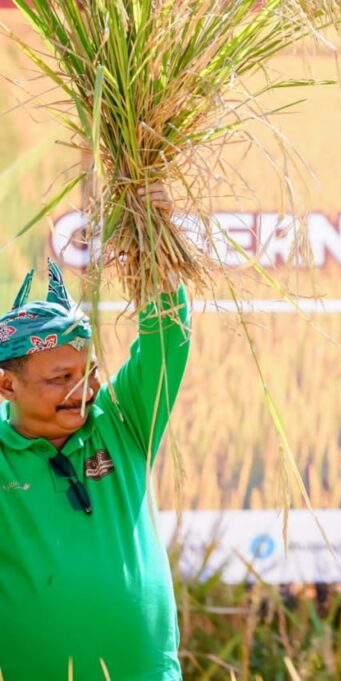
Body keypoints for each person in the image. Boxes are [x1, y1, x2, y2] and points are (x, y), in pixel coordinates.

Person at [0, 187, 189, 680]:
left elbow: (167, 338)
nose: (82, 390)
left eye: (89, 371)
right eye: (60, 377)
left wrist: (155, 244)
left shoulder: (122, 421)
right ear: (6, 384)